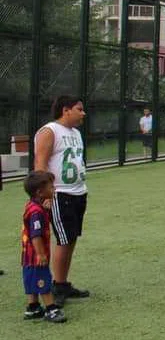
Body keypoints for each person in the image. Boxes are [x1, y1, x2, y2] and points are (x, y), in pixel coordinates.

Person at [33, 95, 90, 307]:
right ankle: (56, 286)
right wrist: (45, 195)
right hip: (60, 195)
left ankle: (63, 282)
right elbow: (40, 164)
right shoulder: (49, 131)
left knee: (71, 238)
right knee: (64, 240)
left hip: (78, 193)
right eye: (79, 109)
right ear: (66, 110)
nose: (83, 113)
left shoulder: (76, 133)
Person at [21, 171, 67, 323]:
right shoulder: (36, 212)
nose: (54, 189)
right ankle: (50, 309)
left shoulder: (33, 206)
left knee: (31, 280)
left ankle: (33, 307)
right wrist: (41, 254)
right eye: (51, 187)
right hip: (36, 257)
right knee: (43, 281)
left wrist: (46, 210)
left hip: (27, 256)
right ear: (40, 192)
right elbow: (36, 235)